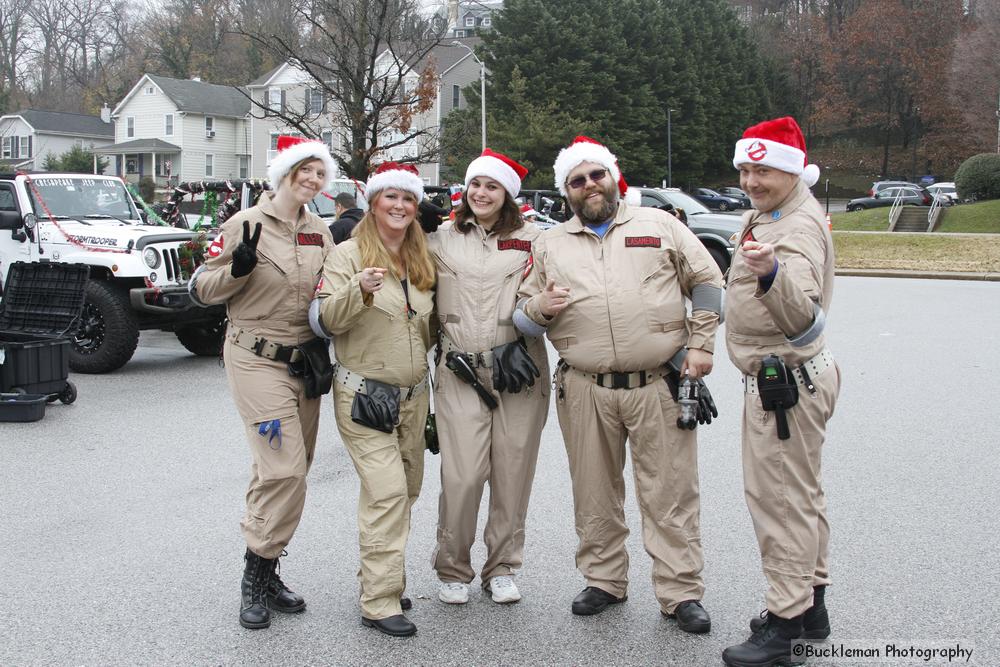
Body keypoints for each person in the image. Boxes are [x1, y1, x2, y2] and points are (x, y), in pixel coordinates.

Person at [515, 136, 724, 633]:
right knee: (593, 491)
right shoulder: (550, 243)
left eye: (595, 175)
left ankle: (680, 593)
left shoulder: (660, 224)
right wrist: (540, 308)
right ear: (565, 191)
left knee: (670, 492)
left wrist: (702, 345)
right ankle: (604, 579)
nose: (589, 186)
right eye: (576, 180)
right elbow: (524, 315)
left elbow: (709, 280)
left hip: (657, 384)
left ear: (613, 176)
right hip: (585, 387)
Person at [188, 135, 337, 630]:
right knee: (285, 468)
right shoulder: (244, 223)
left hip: (303, 364)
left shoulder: (320, 231)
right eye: (305, 170)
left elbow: (329, 292)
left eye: (320, 173)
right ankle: (255, 572)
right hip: (254, 360)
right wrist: (237, 268)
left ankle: (269, 570)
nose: (312, 180)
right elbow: (201, 288)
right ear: (286, 173)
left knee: (289, 467)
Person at [721, 117, 840, 667]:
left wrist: (771, 275)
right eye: (746, 168)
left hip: (784, 383)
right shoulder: (770, 214)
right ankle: (810, 607)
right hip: (790, 380)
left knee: (780, 503)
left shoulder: (794, 230)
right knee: (803, 494)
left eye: (763, 169)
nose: (751, 179)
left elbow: (803, 316)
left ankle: (786, 622)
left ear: (790, 170)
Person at [310, 162, 435, 638]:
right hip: (363, 396)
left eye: (407, 199)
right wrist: (356, 290)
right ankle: (379, 602)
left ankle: (385, 578)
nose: (400, 206)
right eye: (390, 198)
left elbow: (431, 325)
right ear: (373, 203)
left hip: (414, 397)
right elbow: (324, 319)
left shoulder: (423, 257)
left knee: (407, 491)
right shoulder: (346, 255)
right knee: (386, 492)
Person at [427, 149, 549, 606]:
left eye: (492, 186)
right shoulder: (439, 240)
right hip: (460, 369)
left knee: (512, 472)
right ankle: (453, 566)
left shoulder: (536, 240)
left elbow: (548, 297)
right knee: (462, 475)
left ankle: (501, 567)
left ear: (507, 195)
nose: (481, 192)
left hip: (519, 370)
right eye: (476, 184)